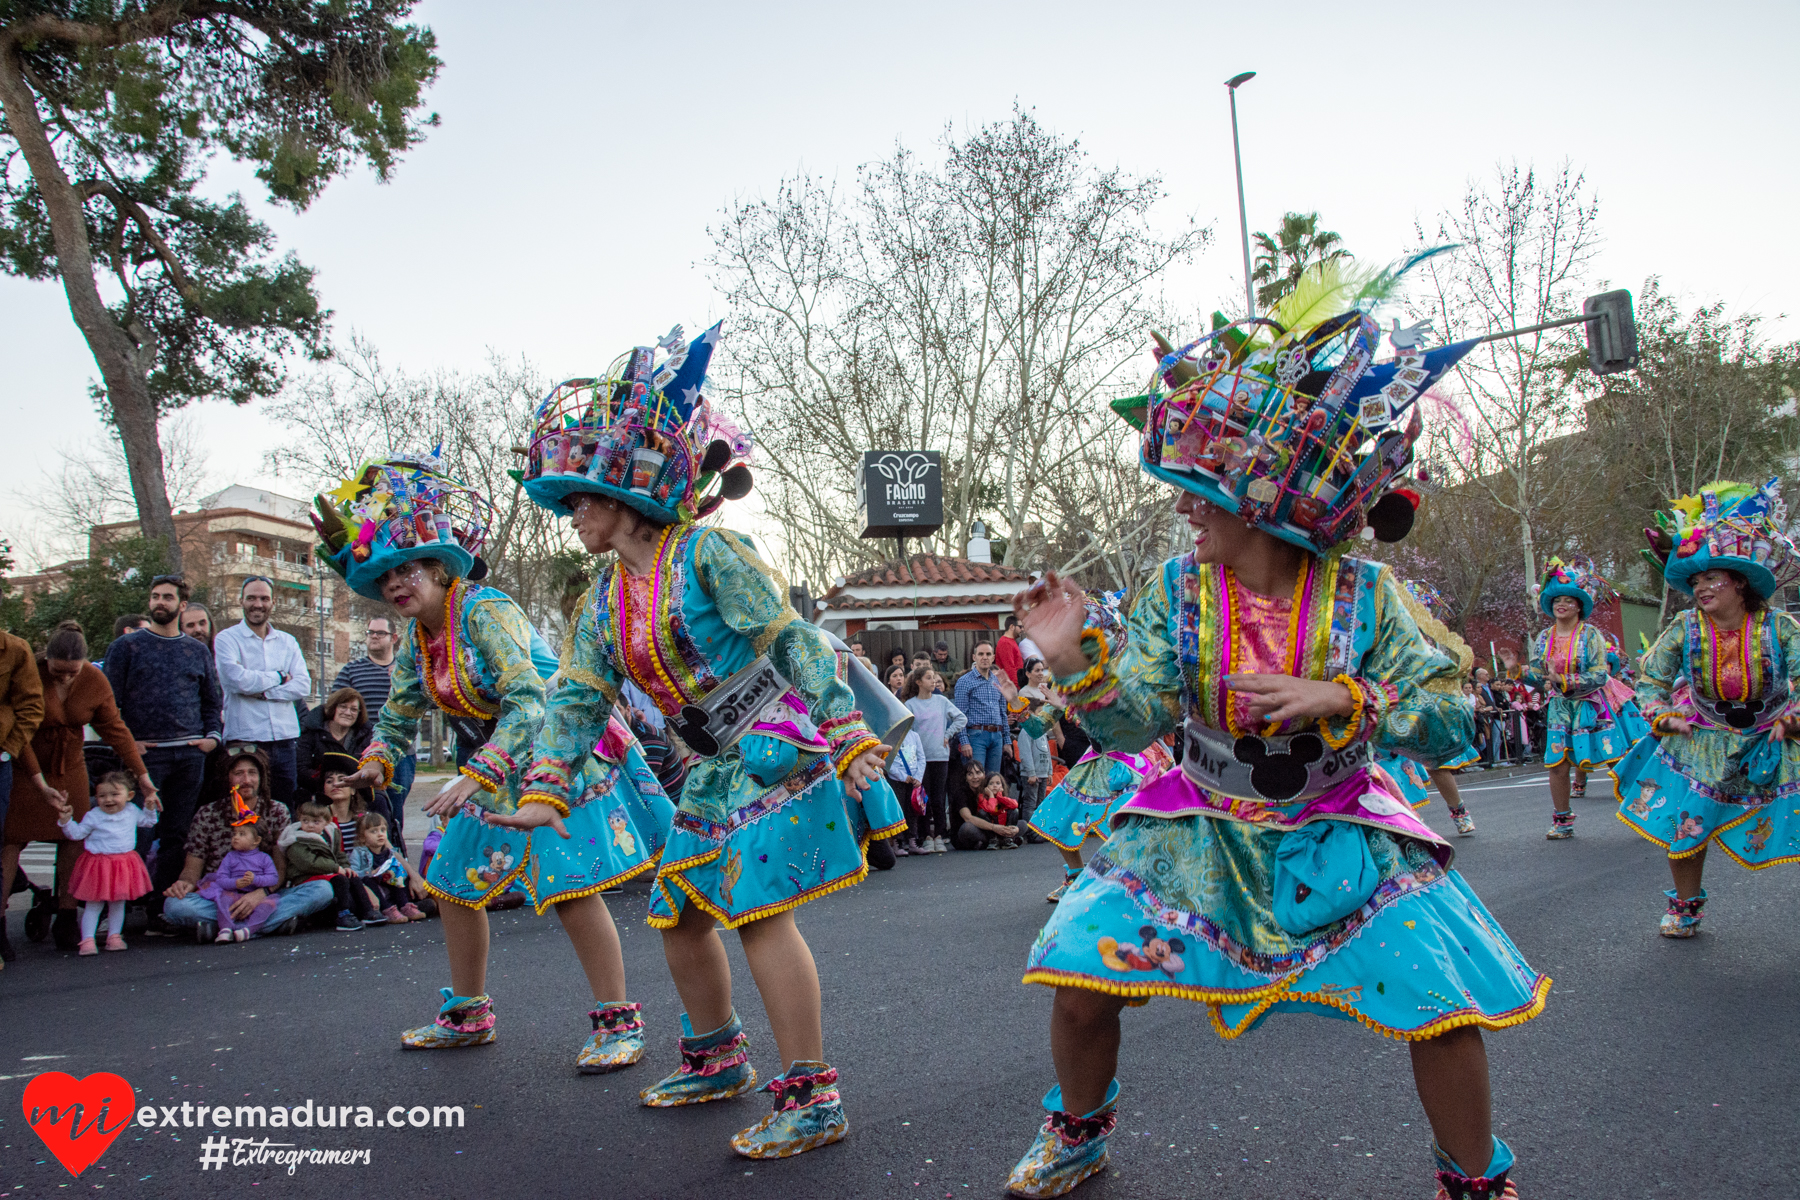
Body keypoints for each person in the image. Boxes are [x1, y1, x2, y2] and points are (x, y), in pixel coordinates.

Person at [1003, 307, 1547, 1199]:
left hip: (1341, 833)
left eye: (1201, 486)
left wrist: (1349, 698)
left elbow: (1451, 715)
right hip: (1197, 833)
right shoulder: (1175, 591)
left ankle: (1475, 1180)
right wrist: (1073, 660)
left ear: (1264, 496)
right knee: (1078, 970)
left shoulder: (1366, 595)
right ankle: (1076, 1131)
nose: (1182, 504)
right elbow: (1133, 725)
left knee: (1442, 1009)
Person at [510, 325, 903, 1159]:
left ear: (623, 494)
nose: (572, 514)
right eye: (569, 500)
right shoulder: (602, 602)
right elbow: (580, 695)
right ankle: (720, 1058)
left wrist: (844, 730)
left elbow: (791, 637)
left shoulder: (709, 552)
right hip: (708, 768)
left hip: (774, 748)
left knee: (758, 914)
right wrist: (544, 787)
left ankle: (812, 1095)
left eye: (581, 497)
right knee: (680, 915)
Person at [323, 456, 672, 1070]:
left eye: (408, 569)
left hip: (554, 755)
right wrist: (376, 762)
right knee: (453, 883)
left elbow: (531, 698)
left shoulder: (483, 610)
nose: (398, 584)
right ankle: (468, 1013)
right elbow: (401, 712)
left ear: (436, 566)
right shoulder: (415, 639)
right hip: (487, 766)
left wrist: (477, 773)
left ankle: (619, 1023)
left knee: (571, 887)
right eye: (386, 578)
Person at [1615, 479, 1800, 937]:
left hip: (1775, 733)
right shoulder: (1684, 627)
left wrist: (1795, 719)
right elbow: (1651, 678)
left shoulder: (1780, 626)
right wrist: (1662, 715)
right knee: (1687, 825)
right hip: (1702, 736)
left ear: (1740, 583)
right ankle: (1685, 906)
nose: (1700, 588)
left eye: (1711, 579)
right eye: (1694, 581)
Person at [2, 621, 156, 957]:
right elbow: (19, 729)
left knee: (73, 839)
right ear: (48, 661)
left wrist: (141, 774)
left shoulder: (94, 679)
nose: (66, 678)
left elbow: (115, 728)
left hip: (70, 766)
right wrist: (36, 780)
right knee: (11, 839)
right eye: (59, 672)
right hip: (26, 762)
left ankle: (68, 916)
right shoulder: (31, 671)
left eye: (73, 672)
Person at [1020, 602, 1170, 902]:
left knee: (1128, 824)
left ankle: (1134, 881)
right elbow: (1037, 729)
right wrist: (1017, 701)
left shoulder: (1125, 675)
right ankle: (1076, 878)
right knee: (1056, 814)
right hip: (1096, 759)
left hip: (1131, 758)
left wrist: (1069, 707)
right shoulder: (1067, 678)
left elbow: (1118, 723)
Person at [102, 573, 222, 930]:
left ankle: (159, 907)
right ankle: (123, 909)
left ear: (181, 605)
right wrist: (127, 743)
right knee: (136, 832)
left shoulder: (196, 650)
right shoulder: (127, 647)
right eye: (155, 596)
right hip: (144, 757)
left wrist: (211, 738)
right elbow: (108, 705)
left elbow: (211, 702)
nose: (160, 603)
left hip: (188, 755)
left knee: (176, 833)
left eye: (168, 598)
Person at [159, 747, 335, 941]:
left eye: (252, 773)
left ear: (261, 777)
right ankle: (263, 925)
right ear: (227, 778)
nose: (246, 780)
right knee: (174, 906)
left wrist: (259, 895)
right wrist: (183, 884)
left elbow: (279, 868)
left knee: (322, 890)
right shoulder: (207, 813)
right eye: (238, 773)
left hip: (265, 894)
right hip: (220, 896)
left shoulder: (276, 810)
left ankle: (226, 928)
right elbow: (192, 869)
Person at [1517, 557, 1631, 840]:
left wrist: (1565, 680)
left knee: (1615, 758)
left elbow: (1600, 675)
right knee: (1558, 763)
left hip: (1592, 705)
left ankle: (1642, 809)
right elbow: (1538, 674)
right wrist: (1517, 671)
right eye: (1557, 600)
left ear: (1579, 605)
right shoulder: (1544, 637)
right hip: (1559, 708)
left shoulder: (1591, 635)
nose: (1561, 604)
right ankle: (1562, 820)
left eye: (1568, 599)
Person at [213, 576, 312, 806]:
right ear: (241, 601)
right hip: (245, 740)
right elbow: (239, 681)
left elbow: (302, 685)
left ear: (273, 602)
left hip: (285, 741)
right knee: (243, 808)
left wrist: (266, 693)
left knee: (284, 807)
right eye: (251, 598)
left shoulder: (287, 641)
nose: (258, 604)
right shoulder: (227, 639)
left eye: (264, 598)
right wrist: (278, 677)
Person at [53, 770, 159, 954]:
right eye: (102, 796)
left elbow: (148, 823)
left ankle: (114, 936)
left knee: (118, 903)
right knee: (94, 904)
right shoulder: (94, 815)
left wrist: (149, 808)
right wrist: (66, 820)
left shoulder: (132, 811)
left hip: (123, 863)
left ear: (129, 796)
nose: (108, 800)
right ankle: (87, 940)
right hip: (99, 864)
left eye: (115, 794)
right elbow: (76, 834)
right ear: (96, 797)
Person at [333, 617, 411, 835]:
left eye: (380, 633)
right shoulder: (351, 670)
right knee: (363, 806)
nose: (374, 636)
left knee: (393, 808)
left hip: (400, 751)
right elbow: (334, 707)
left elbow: (431, 703)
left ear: (394, 638)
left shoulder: (407, 670)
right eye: (370, 632)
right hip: (362, 751)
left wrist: (405, 677)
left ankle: (394, 854)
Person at [283, 799, 382, 931]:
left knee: (352, 877)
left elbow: (339, 854)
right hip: (306, 877)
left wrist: (345, 866)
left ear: (326, 822)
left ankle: (367, 911)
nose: (310, 825)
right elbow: (309, 862)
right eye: (305, 821)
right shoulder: (296, 839)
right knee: (340, 880)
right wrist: (335, 868)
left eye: (316, 822)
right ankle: (343, 915)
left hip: (327, 872)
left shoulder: (331, 833)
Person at [903, 666, 967, 854]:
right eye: (928, 678)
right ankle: (926, 836)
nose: (933, 681)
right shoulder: (910, 704)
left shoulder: (941, 701)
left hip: (940, 755)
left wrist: (948, 734)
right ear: (918, 682)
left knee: (939, 798)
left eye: (934, 678)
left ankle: (939, 834)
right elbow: (908, 729)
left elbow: (961, 719)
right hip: (921, 758)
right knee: (924, 798)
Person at [197, 819, 281, 942]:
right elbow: (221, 879)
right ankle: (225, 929)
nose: (236, 837)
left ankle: (247, 931)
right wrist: (235, 883)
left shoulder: (264, 858)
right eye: (235, 834)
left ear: (256, 840)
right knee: (223, 900)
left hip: (257, 897)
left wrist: (255, 879)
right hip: (233, 894)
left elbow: (273, 879)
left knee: (269, 906)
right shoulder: (230, 857)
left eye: (242, 834)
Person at [297, 687, 373, 801]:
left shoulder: (364, 735)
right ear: (334, 708)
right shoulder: (312, 732)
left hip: (354, 790)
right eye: (343, 707)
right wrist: (330, 781)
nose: (348, 713)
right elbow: (302, 768)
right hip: (318, 789)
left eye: (353, 709)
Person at [1012, 659, 1057, 839]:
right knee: (1030, 803)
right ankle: (1030, 832)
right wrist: (1030, 772)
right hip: (1032, 774)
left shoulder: (1043, 732)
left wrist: (1049, 770)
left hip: (1043, 772)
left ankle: (1041, 831)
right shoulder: (1026, 732)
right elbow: (1026, 754)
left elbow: (1047, 752)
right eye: (1040, 713)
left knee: (1041, 802)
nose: (1043, 716)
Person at [352, 812, 422, 923]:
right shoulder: (359, 853)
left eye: (382, 830)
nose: (380, 834)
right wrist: (370, 873)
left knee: (396, 876)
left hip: (386, 883)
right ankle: (387, 909)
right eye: (373, 831)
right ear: (362, 837)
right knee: (369, 880)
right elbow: (354, 873)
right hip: (371, 884)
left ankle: (404, 906)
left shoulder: (389, 852)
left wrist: (397, 872)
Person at [954, 641, 1009, 773]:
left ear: (993, 657)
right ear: (974, 657)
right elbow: (960, 715)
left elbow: (1003, 712)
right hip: (976, 736)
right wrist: (964, 741)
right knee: (976, 779)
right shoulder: (964, 681)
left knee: (994, 779)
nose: (985, 657)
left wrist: (1007, 740)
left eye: (988, 654)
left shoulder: (997, 681)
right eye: (981, 654)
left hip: (997, 736)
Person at [885, 727, 927, 857]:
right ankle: (898, 842)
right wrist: (902, 776)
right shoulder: (890, 737)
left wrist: (918, 777)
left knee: (913, 810)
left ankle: (913, 840)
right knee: (899, 810)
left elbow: (921, 758)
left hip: (914, 779)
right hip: (898, 780)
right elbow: (887, 761)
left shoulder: (914, 736)